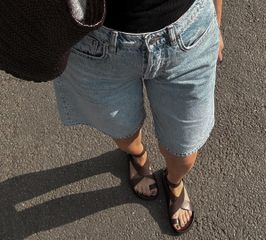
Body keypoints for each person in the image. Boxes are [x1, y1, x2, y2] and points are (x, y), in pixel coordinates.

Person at [53, 0, 224, 234]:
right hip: (93, 41)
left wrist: (216, 20)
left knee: (184, 153)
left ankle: (173, 180)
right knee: (122, 131)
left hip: (188, 31)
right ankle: (138, 155)